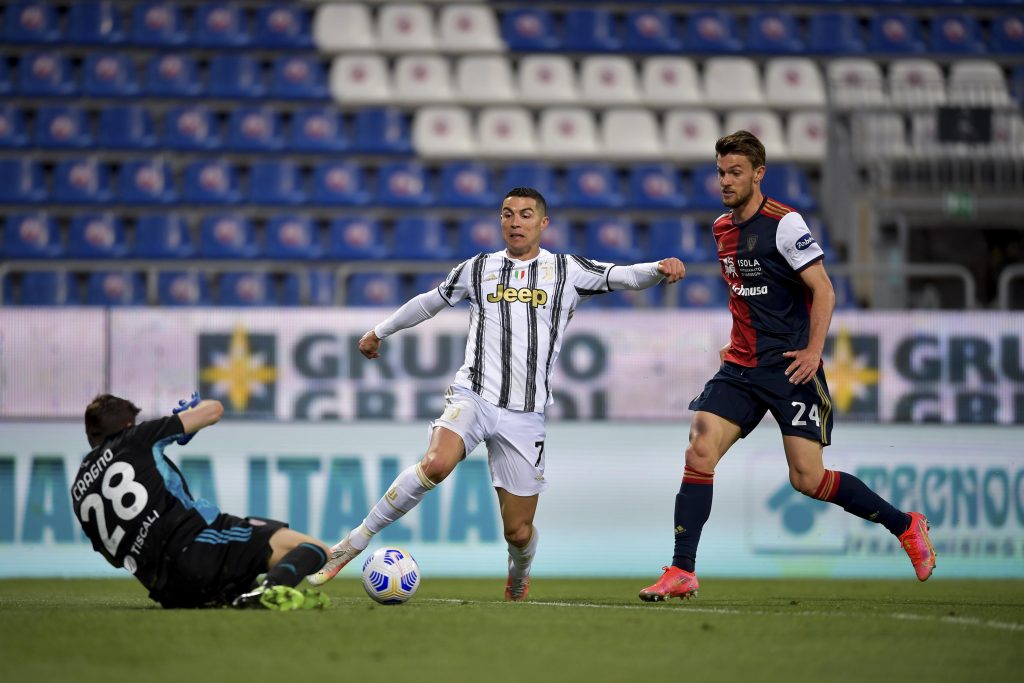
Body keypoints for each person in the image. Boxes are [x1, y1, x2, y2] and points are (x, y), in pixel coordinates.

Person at [308, 186, 686, 601]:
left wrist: (659, 267)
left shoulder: (567, 270)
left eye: (525, 214)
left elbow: (623, 275)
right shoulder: (478, 268)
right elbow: (429, 302)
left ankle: (519, 574)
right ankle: (353, 543)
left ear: (543, 223)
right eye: (507, 214)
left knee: (518, 531)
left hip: (526, 413)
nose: (515, 222)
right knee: (434, 464)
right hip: (474, 395)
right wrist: (379, 331)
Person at [638, 131, 936, 602]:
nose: (726, 180)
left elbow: (824, 289)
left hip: (791, 368)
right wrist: (734, 343)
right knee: (699, 448)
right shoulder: (721, 228)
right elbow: (745, 296)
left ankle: (905, 525)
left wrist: (815, 351)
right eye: (720, 172)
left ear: (758, 174)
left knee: (807, 478)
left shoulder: (785, 223)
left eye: (735, 172)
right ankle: (682, 569)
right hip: (741, 367)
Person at [72, 392, 331, 610]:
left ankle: (245, 595)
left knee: (237, 576)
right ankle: (271, 590)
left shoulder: (79, 492)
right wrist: (190, 414)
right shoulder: (136, 437)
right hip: (196, 548)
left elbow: (115, 560)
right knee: (314, 549)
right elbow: (214, 410)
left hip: (168, 592)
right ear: (128, 425)